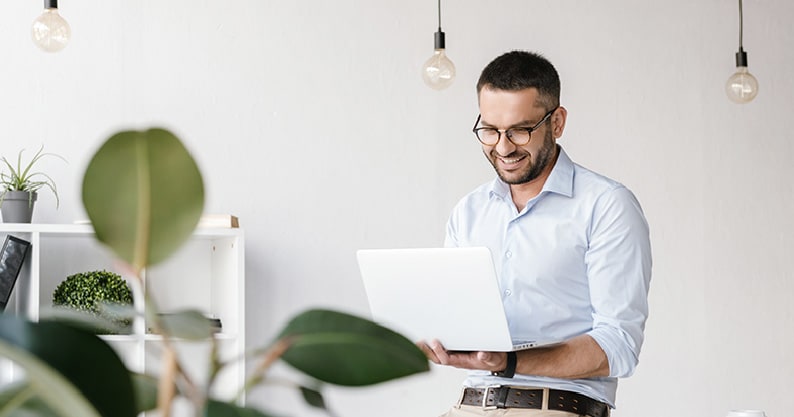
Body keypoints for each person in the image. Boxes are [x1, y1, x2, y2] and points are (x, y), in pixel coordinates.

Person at [418, 50, 652, 417]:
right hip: (468, 405)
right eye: (490, 131)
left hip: (554, 406)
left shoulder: (606, 205)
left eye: (520, 130)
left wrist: (509, 362)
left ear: (556, 123)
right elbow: (456, 318)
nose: (503, 146)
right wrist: (436, 338)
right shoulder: (469, 211)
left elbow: (619, 345)